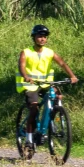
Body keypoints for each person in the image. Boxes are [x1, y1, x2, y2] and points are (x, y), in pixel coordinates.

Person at [17, 24, 78, 157]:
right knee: (34, 109)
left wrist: (72, 76)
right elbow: (21, 66)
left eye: (44, 37)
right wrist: (26, 76)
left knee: (57, 95)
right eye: (39, 36)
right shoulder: (26, 52)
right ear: (34, 38)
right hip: (30, 85)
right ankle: (28, 139)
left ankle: (53, 120)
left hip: (45, 84)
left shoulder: (49, 52)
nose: (42, 39)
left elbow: (62, 63)